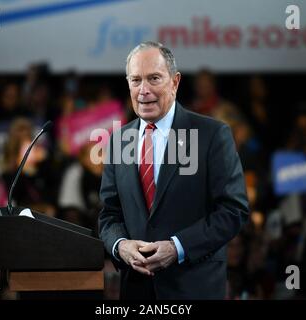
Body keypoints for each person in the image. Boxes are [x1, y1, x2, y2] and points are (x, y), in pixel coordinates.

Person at [98, 41, 249, 299]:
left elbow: (232, 210)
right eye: (135, 81)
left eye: (154, 78)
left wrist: (177, 247)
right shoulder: (117, 141)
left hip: (193, 287)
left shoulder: (212, 135)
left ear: (175, 82)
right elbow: (109, 215)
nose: (143, 90)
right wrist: (120, 246)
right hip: (137, 291)